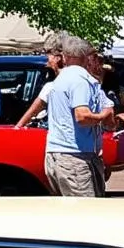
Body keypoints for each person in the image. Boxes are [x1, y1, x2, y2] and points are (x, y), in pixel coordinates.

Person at [44, 36, 115, 198]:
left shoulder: (61, 79)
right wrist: (104, 114)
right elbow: (82, 117)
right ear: (87, 57)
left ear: (65, 56)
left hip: (58, 154)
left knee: (70, 211)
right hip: (75, 157)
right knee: (86, 212)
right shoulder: (79, 80)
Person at [14, 35, 65, 129]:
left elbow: (32, 112)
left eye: (48, 54)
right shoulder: (81, 81)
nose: (46, 58)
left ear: (57, 58)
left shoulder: (52, 87)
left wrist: (17, 128)